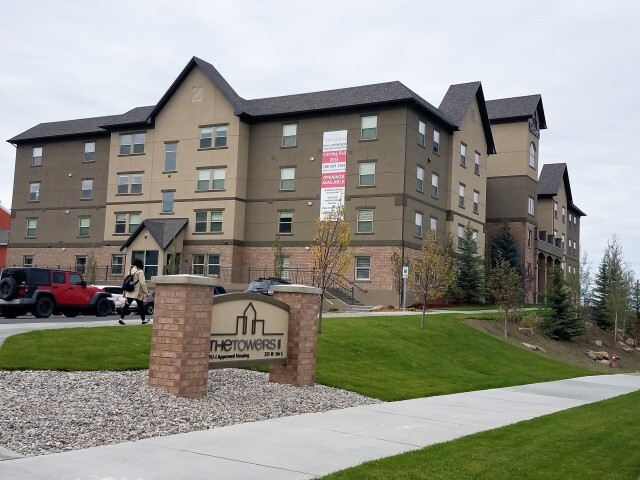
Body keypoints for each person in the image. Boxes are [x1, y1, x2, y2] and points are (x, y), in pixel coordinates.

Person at [119, 258, 150, 325]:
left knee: (126, 305)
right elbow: (142, 283)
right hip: (137, 292)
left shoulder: (130, 270)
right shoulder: (140, 272)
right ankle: (143, 319)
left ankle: (121, 318)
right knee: (141, 306)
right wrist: (146, 291)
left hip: (130, 290)